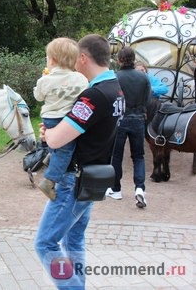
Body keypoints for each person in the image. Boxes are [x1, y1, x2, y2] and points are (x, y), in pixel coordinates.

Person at [35, 34, 124, 289]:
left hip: (73, 181)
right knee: (74, 240)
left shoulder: (94, 96)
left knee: (45, 244)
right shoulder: (116, 89)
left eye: (76, 59)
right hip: (92, 177)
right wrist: (54, 133)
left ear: (83, 58)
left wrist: (48, 134)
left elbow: (56, 139)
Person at [33, 37, 89, 200]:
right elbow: (85, 93)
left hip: (50, 119)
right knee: (67, 150)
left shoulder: (45, 80)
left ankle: (52, 156)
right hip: (67, 119)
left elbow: (38, 97)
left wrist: (42, 81)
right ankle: (49, 180)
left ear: (52, 60)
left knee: (61, 148)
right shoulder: (80, 78)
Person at [107, 48, 151, 208]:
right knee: (138, 156)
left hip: (119, 120)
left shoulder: (115, 77)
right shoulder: (143, 77)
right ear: (133, 59)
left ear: (119, 60)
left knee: (116, 156)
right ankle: (140, 188)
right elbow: (148, 98)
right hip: (138, 119)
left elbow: (112, 98)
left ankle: (116, 189)